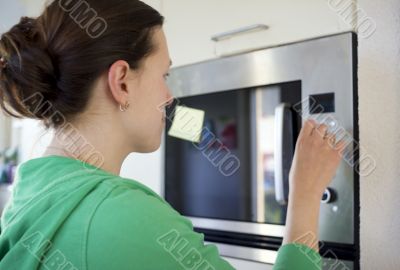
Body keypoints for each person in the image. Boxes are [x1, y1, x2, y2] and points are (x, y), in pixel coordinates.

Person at [0, 0, 344, 269]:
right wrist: (305, 194)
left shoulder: (30, 194)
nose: (170, 98)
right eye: (164, 75)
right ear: (121, 82)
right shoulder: (122, 216)